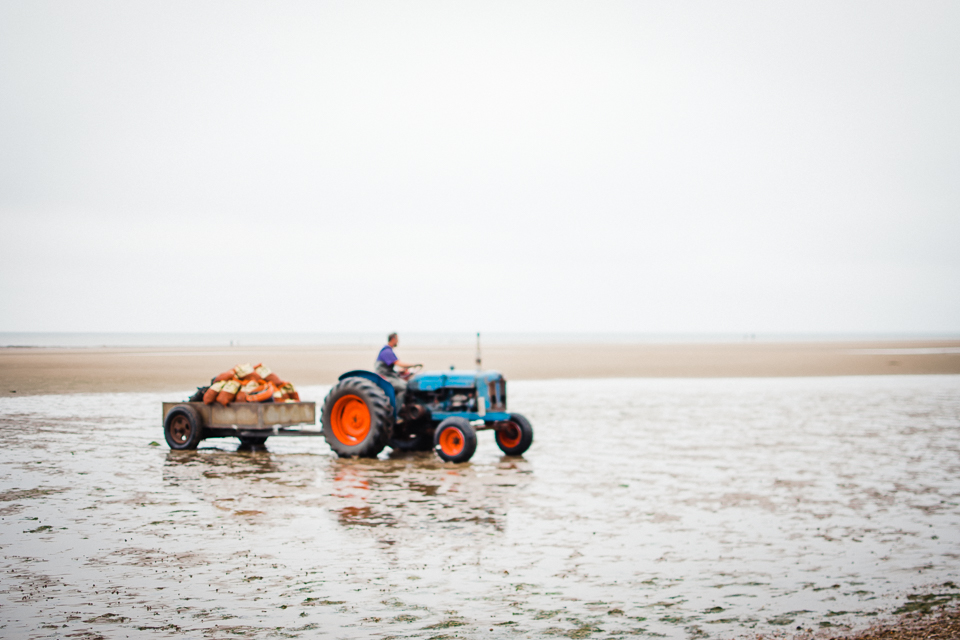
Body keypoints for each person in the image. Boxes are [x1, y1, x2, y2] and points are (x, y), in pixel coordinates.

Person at [375, 333, 420, 407]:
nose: (398, 342)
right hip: (385, 376)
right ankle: (397, 410)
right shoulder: (387, 351)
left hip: (388, 374)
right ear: (393, 339)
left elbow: (390, 366)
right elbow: (398, 363)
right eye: (397, 340)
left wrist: (400, 371)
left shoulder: (388, 350)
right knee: (403, 387)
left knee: (406, 382)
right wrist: (414, 364)